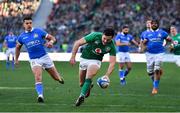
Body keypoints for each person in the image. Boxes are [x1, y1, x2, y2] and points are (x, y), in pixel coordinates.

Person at [15, 17, 64, 103]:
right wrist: (16, 59)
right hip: (34, 60)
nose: (29, 25)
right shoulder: (21, 37)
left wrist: (51, 42)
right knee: (38, 77)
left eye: (30, 23)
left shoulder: (39, 31)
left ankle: (59, 77)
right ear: (24, 24)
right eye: (27, 23)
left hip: (45, 57)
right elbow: (17, 48)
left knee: (56, 78)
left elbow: (53, 38)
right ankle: (40, 95)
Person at [70, 27, 116, 107]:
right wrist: (73, 57)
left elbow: (112, 63)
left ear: (112, 38)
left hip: (96, 61)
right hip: (84, 58)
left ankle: (81, 96)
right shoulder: (95, 35)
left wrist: (107, 75)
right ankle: (89, 85)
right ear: (102, 35)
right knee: (81, 83)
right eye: (104, 38)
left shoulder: (111, 46)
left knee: (89, 77)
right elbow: (77, 43)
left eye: (108, 40)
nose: (105, 41)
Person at [142, 19, 171, 95]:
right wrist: (143, 46)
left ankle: (155, 88)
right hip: (149, 54)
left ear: (158, 24)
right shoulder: (147, 34)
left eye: (155, 23)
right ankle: (155, 81)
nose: (154, 25)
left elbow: (169, 39)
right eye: (153, 24)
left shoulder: (162, 32)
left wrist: (167, 43)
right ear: (151, 25)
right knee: (149, 72)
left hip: (160, 53)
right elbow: (144, 42)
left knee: (157, 69)